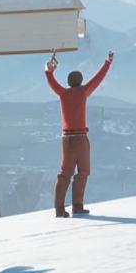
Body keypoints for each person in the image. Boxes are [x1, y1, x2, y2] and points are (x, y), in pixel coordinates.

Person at [45, 51, 113, 218]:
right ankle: (77, 206)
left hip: (66, 139)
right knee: (83, 172)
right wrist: (107, 62)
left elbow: (50, 79)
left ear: (68, 82)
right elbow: (98, 78)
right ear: (80, 81)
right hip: (81, 138)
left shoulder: (63, 93)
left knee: (64, 174)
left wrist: (49, 69)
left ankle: (59, 209)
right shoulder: (83, 92)